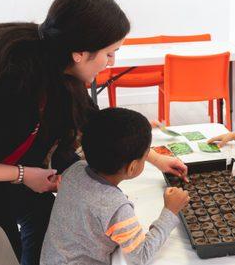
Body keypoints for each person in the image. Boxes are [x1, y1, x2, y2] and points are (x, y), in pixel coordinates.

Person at [0, 0, 187, 265]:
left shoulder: (53, 57)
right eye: (109, 53)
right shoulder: (8, 81)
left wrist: (150, 156)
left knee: (12, 236)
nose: (111, 62)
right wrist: (23, 174)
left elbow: (94, 123)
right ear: (80, 52)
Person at [40, 108, 189, 265]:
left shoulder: (75, 169)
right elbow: (141, 255)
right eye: (146, 157)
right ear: (132, 167)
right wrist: (170, 211)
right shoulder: (117, 209)